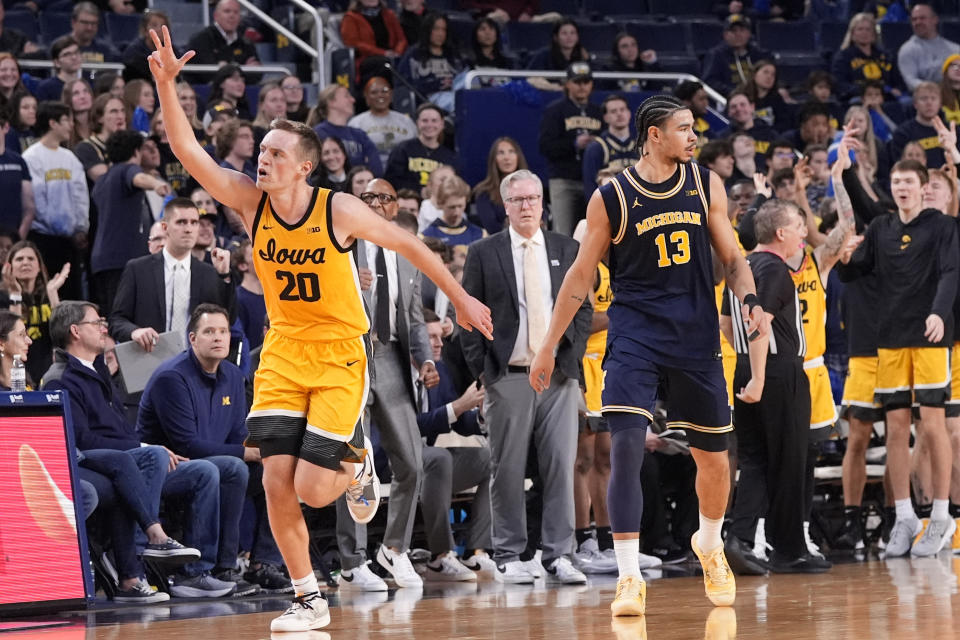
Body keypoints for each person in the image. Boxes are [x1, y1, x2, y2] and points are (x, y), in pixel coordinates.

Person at [147, 24, 491, 632]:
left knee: (310, 488)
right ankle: (308, 598)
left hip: (338, 353)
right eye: (262, 149)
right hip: (282, 351)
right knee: (275, 479)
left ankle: (357, 465)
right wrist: (168, 86)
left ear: (304, 167)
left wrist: (459, 298)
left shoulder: (338, 209)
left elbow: (411, 246)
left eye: (277, 153)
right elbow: (188, 153)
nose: (263, 157)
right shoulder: (251, 204)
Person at [528, 95, 769, 616]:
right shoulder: (611, 196)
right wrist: (548, 345)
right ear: (654, 135)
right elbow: (578, 277)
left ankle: (708, 541)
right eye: (684, 128)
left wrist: (749, 301)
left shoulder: (705, 184)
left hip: (696, 336)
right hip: (635, 335)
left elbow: (733, 258)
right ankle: (630, 576)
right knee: (627, 449)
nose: (694, 137)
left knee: (715, 458)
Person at [41, 300, 242, 599]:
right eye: (96, 323)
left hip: (129, 459)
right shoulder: (60, 377)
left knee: (204, 471)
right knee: (153, 456)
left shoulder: (97, 369)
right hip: (97, 466)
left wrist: (142, 448)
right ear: (75, 331)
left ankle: (197, 574)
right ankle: (141, 554)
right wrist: (143, 447)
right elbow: (79, 439)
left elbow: (121, 431)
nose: (103, 328)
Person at [461, 169, 591, 586]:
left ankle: (558, 554)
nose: (527, 206)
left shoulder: (566, 248)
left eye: (533, 198)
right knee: (508, 467)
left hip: (559, 375)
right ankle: (509, 553)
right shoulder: (484, 251)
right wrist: (485, 372)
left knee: (561, 465)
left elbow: (582, 307)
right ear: (505, 205)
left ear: (543, 202)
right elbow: (468, 314)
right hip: (510, 373)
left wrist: (570, 354)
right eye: (518, 200)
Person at [838, 158, 958, 557]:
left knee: (934, 425)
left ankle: (941, 514)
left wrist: (939, 312)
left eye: (908, 180)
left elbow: (950, 273)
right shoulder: (880, 228)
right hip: (887, 338)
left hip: (928, 337)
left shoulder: (941, 226)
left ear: (923, 187)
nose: (902, 187)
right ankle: (905, 517)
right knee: (895, 429)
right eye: (896, 181)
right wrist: (845, 260)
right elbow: (857, 273)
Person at [139, 303, 282, 594]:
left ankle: (264, 563)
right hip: (165, 468)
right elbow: (186, 444)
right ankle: (215, 568)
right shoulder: (172, 377)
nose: (218, 338)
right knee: (233, 467)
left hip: (213, 465)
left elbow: (239, 434)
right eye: (209, 332)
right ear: (192, 339)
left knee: (276, 467)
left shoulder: (232, 376)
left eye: (223, 331)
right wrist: (245, 452)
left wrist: (263, 449)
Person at [337, 177, 436, 590]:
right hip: (350, 356)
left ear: (397, 207)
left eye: (385, 197)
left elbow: (414, 318)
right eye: (368, 197)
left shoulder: (407, 253)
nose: (376, 203)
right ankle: (351, 562)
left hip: (393, 357)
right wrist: (344, 283)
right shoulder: (340, 246)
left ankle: (393, 549)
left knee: (412, 461)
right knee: (353, 463)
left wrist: (426, 357)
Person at [417, 308, 493, 580]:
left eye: (440, 336)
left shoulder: (442, 370)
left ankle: (477, 552)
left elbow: (460, 422)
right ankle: (441, 556)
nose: (438, 343)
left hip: (434, 464)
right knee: (439, 457)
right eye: (431, 337)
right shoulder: (399, 373)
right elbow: (412, 426)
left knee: (490, 460)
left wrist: (481, 412)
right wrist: (458, 406)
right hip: (397, 461)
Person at [109, 198, 236, 351]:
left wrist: (224, 276)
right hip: (149, 361)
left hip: (195, 365)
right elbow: (116, 321)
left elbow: (228, 320)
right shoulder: (137, 269)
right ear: (165, 227)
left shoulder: (208, 273)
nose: (189, 229)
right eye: (181, 222)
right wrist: (134, 331)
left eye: (194, 222)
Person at [91, 130, 170, 311]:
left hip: (100, 261)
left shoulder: (102, 180)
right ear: (136, 152)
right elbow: (137, 178)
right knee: (126, 316)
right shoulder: (128, 169)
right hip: (123, 259)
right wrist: (156, 184)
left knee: (111, 317)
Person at [22, 101, 87, 302]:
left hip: (69, 241)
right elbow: (36, 199)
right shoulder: (32, 157)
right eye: (66, 120)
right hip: (43, 238)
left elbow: (81, 196)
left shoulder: (71, 158)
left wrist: (81, 227)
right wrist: (58, 228)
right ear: (53, 123)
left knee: (71, 295)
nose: (71, 125)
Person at [538, 62, 603, 236]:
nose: (582, 86)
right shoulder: (555, 111)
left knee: (594, 232)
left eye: (586, 82)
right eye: (577, 82)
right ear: (567, 84)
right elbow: (545, 146)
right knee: (563, 233)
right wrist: (573, 144)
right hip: (563, 180)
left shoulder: (598, 112)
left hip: (593, 182)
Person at [397, 12, 465, 112]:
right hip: (428, 101)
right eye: (436, 29)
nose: (440, 34)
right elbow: (402, 85)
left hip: (455, 95)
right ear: (427, 30)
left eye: (444, 30)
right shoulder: (414, 54)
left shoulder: (453, 54)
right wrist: (435, 84)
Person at [310, 85, 383, 176]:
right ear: (331, 102)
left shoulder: (360, 135)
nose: (353, 100)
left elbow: (376, 169)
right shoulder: (317, 134)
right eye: (347, 96)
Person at [384, 103, 457, 193]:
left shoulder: (449, 157)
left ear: (442, 124)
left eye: (434, 121)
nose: (429, 125)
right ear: (417, 123)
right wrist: (420, 191)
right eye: (425, 121)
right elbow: (391, 180)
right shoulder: (403, 149)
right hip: (407, 202)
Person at [349, 73, 417, 168]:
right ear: (366, 96)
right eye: (374, 92)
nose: (380, 95)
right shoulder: (356, 123)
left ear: (391, 94)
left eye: (384, 91)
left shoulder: (406, 121)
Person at [831, 12, 903, 102]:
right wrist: (865, 92)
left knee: (906, 102)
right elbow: (840, 85)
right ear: (852, 34)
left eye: (868, 29)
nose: (864, 33)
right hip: (858, 98)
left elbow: (899, 83)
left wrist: (894, 90)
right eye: (860, 29)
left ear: (874, 34)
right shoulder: (842, 57)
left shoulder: (887, 56)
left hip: (886, 97)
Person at [581, 94, 638, 203]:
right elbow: (590, 187)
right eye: (613, 111)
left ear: (629, 113)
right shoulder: (596, 148)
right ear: (605, 118)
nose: (619, 114)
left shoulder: (642, 146)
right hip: (609, 206)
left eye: (622, 109)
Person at [702, 14, 772, 97]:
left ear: (749, 34)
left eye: (742, 30)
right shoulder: (716, 55)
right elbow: (709, 81)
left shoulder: (759, 54)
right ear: (725, 35)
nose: (738, 34)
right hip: (728, 99)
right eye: (733, 30)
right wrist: (734, 92)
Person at [890, 82, 956, 169]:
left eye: (933, 98)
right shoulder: (902, 133)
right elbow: (899, 166)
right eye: (924, 99)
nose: (929, 103)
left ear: (940, 104)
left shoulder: (951, 131)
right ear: (915, 104)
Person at [897, 2, 960, 92]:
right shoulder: (906, 50)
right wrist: (936, 90)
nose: (918, 22)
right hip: (927, 98)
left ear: (935, 19)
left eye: (922, 18)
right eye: (914, 19)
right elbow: (910, 82)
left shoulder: (955, 49)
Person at [471, 137, 527, 235]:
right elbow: (492, 228)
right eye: (501, 153)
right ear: (494, 159)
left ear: (518, 156)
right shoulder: (483, 192)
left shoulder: (532, 187)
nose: (506, 157)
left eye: (511, 152)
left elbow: (542, 218)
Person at [340, 0, 407, 80]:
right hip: (366, 58)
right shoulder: (351, 17)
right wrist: (384, 53)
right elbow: (354, 43)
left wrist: (397, 52)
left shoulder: (389, 14)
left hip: (392, 55)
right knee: (385, 64)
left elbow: (401, 39)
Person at [74, 94, 128, 186]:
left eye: (122, 111)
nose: (120, 116)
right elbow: (106, 179)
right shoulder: (85, 148)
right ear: (100, 118)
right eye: (113, 112)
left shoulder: (129, 144)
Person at [186, 0, 259, 66]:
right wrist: (243, 69)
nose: (232, 16)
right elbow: (208, 75)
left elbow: (256, 72)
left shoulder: (246, 42)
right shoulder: (201, 39)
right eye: (227, 11)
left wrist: (226, 68)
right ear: (215, 16)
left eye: (236, 12)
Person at [422, 175, 485, 251]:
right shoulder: (426, 236)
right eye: (452, 207)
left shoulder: (480, 235)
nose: (457, 212)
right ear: (440, 204)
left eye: (460, 206)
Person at [0, 110, 35, 242]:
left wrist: (18, 239)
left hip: (13, 236)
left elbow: (29, 207)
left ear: (6, 128)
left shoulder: (18, 161)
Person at [122, 11, 173, 82]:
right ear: (144, 30)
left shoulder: (171, 50)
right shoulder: (134, 51)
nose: (159, 29)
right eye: (154, 25)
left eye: (163, 26)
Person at [35, 37, 84, 103]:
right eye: (67, 54)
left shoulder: (86, 85)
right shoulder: (46, 88)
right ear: (57, 63)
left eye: (76, 52)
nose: (74, 57)